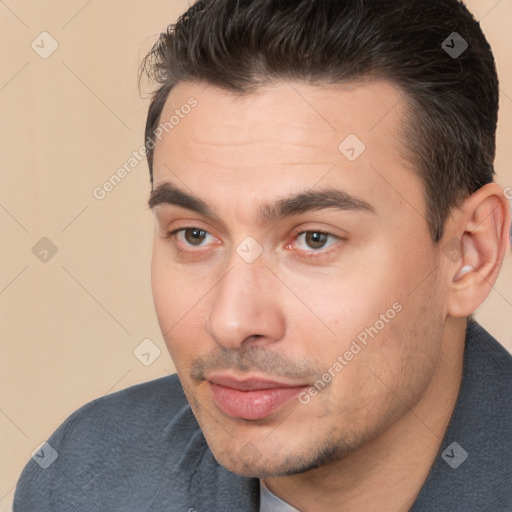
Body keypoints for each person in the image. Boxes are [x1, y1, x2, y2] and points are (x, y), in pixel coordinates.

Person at [13, 0, 512, 510]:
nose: (231, 322)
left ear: (470, 252)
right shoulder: (79, 480)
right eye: (194, 235)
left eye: (315, 239)